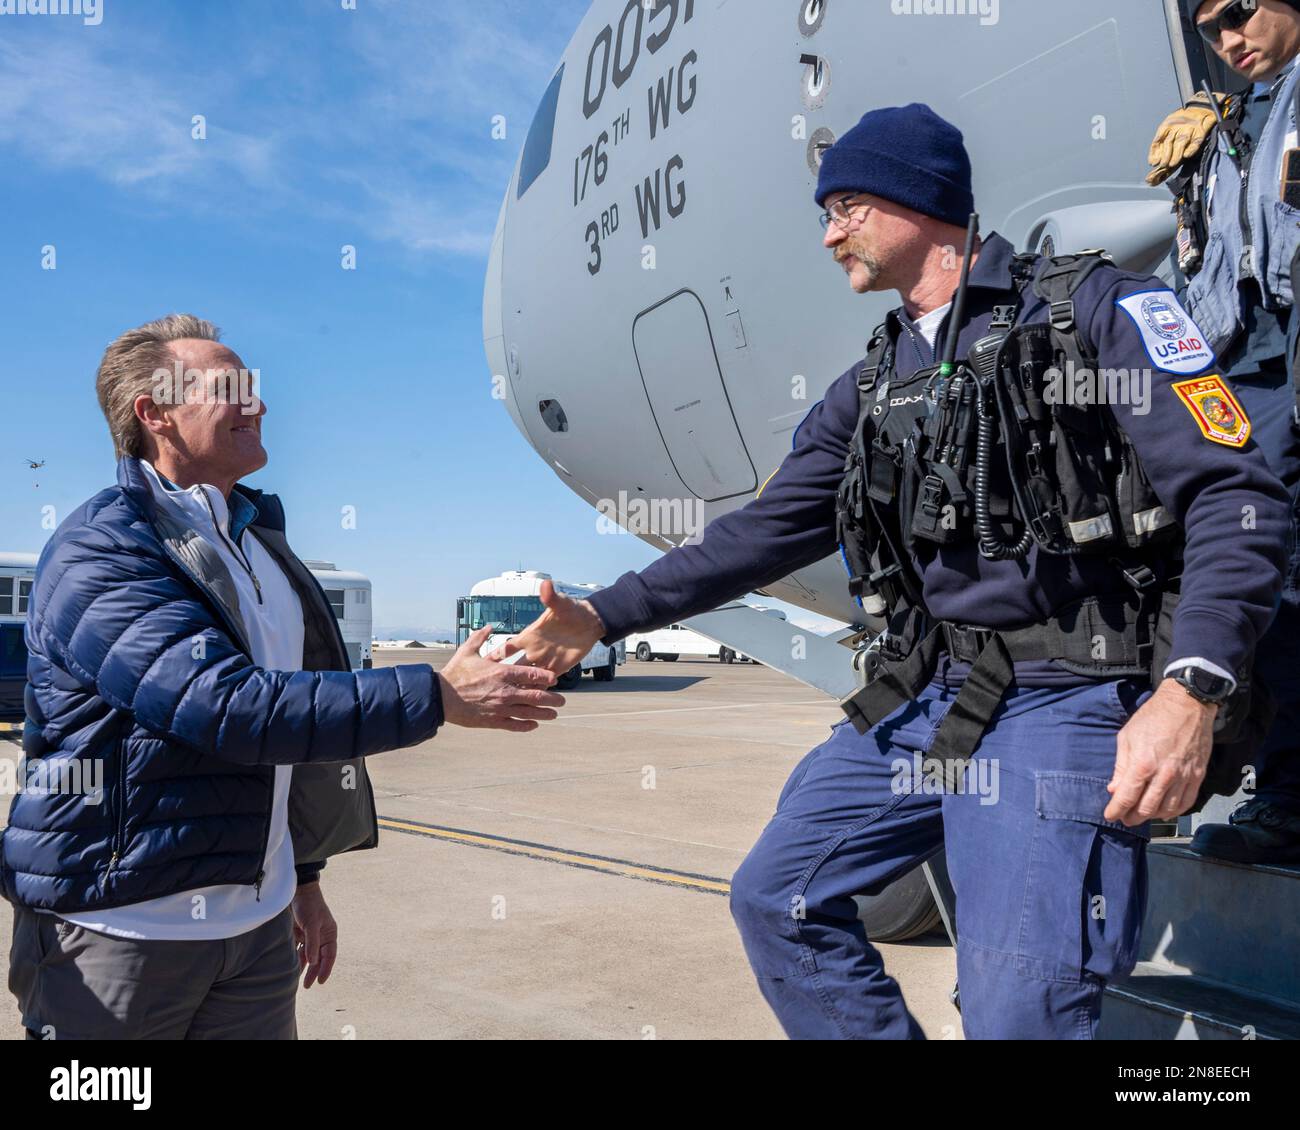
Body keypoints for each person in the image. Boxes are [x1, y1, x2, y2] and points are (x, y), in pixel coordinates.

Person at [497, 105, 1291, 1039]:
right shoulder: (872, 386)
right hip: (936, 695)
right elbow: (761, 533)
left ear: (922, 201)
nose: (829, 231)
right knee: (777, 899)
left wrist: (1190, 690)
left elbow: (1239, 498)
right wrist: (602, 614)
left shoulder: (1098, 314)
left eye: (848, 205)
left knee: (1018, 1016)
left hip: (1069, 696)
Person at [2, 314, 564, 1040]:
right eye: (231, 388)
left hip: (256, 928)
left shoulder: (259, 544)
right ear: (155, 414)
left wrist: (302, 879)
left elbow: (289, 734)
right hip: (121, 928)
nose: (259, 405)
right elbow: (224, 708)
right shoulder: (102, 549)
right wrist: (437, 693)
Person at [1146, 0, 1300, 862]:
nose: (1228, 39)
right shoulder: (1229, 128)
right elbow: (1200, 276)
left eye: (1239, 13)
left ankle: (1286, 796)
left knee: (1283, 583)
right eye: (1209, 29)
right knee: (1248, 574)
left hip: (1285, 357)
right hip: (1237, 372)